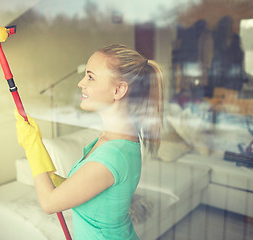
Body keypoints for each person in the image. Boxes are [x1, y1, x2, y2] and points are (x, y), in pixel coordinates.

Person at [15, 44, 164, 239]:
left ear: (118, 90)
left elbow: (49, 203)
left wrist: (32, 147)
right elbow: (83, 187)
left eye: (90, 77)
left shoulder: (112, 154)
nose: (81, 83)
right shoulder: (111, 139)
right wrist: (45, 161)